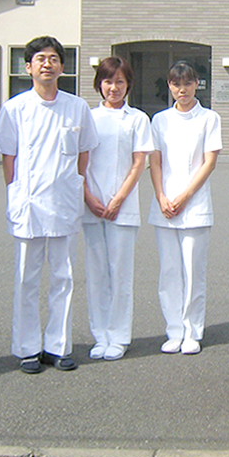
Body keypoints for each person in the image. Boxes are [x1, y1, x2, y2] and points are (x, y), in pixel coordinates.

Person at [0, 36, 98, 373]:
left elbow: (84, 153)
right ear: (28, 67)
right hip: (29, 203)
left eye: (53, 58)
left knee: (63, 278)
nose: (47, 64)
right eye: (40, 59)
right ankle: (26, 348)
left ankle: (58, 346)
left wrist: (73, 183)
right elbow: (8, 157)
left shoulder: (77, 106)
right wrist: (19, 191)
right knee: (26, 278)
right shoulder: (15, 108)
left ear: (62, 67)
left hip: (65, 202)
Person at [82, 57, 153, 360]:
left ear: (128, 86)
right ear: (99, 84)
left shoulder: (137, 119)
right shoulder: (88, 117)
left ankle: (120, 336)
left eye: (120, 82)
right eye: (108, 81)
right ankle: (101, 335)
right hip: (92, 206)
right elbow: (79, 162)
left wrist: (118, 198)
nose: (114, 87)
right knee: (96, 274)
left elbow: (139, 163)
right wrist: (89, 198)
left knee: (120, 274)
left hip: (123, 207)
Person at [149, 61, 222, 355]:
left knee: (193, 272)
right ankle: (174, 330)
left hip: (194, 206)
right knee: (169, 271)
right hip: (165, 206)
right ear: (170, 86)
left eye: (188, 83)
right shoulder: (159, 120)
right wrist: (162, 197)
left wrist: (184, 196)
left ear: (196, 85)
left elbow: (210, 162)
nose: (182, 89)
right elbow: (155, 161)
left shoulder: (209, 118)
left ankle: (192, 331)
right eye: (177, 84)